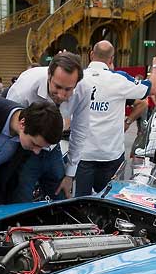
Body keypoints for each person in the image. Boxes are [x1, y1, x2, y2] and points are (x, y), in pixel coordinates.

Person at [75, 41, 156, 196]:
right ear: (111, 59)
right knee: (109, 199)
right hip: (110, 154)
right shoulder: (119, 79)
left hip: (83, 154)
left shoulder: (78, 78)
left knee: (81, 200)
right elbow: (152, 89)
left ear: (91, 55)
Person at [6, 52, 92, 201]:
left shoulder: (83, 90)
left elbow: (80, 131)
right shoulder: (24, 89)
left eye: (68, 89)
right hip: (24, 150)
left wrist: (70, 175)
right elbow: (9, 129)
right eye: (57, 87)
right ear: (49, 75)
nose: (61, 95)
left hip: (53, 149)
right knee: (20, 202)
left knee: (61, 198)